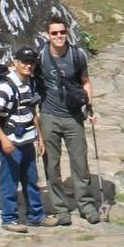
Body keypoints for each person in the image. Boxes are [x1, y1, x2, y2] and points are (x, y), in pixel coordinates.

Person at [37, 16, 99, 225]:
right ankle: (61, 209)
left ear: (66, 32)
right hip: (48, 116)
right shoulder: (40, 56)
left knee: (80, 164)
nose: (59, 36)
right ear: (48, 35)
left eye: (62, 32)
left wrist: (89, 106)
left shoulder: (77, 55)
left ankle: (86, 206)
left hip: (73, 116)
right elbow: (20, 71)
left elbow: (86, 82)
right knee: (51, 166)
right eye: (54, 33)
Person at [0, 46, 55, 233]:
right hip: (10, 144)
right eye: (24, 62)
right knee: (9, 182)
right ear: (15, 62)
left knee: (32, 181)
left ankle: (36, 216)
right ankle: (9, 219)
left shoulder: (30, 83)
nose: (28, 65)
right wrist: (4, 140)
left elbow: (31, 111)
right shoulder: (5, 86)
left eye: (32, 62)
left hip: (27, 142)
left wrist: (39, 138)